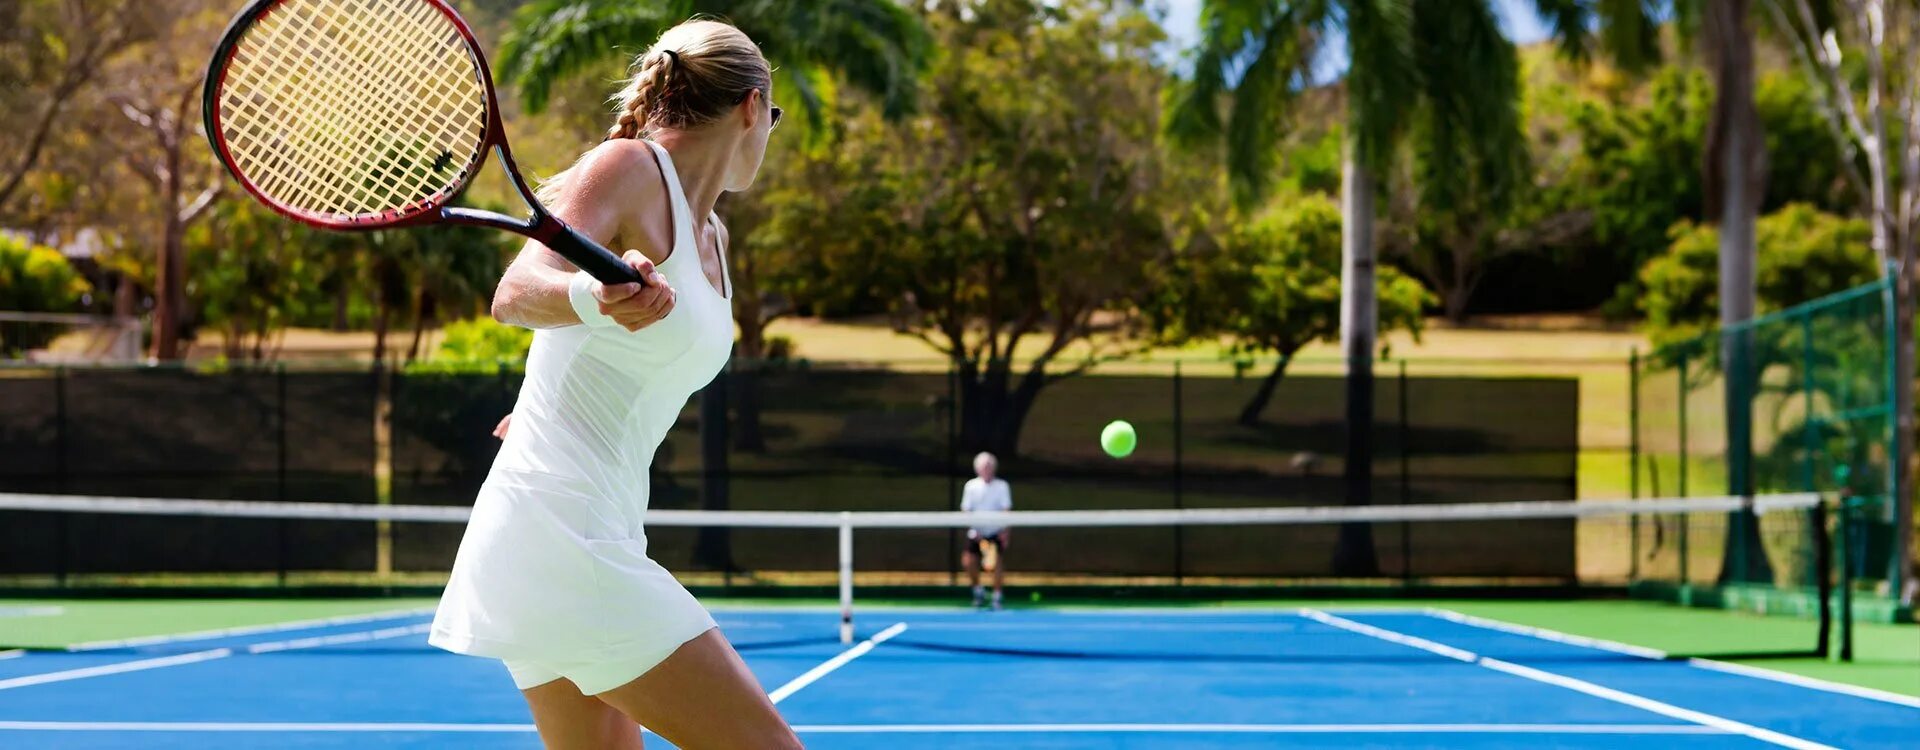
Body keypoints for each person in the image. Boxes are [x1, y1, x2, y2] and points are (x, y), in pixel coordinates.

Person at [429, 19, 800, 750]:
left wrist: (541, 403)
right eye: (774, 118)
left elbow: (613, 369)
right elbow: (518, 290)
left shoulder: (713, 237)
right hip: (564, 537)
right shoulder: (629, 165)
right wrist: (590, 299)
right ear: (752, 107)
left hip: (578, 531)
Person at [960, 452, 1013, 610]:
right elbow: (966, 511)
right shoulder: (971, 486)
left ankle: (997, 596)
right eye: (984, 467)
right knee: (968, 561)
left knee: (996, 564)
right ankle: (978, 591)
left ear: (994, 468)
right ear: (978, 469)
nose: (987, 470)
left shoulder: (1002, 486)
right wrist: (974, 530)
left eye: (989, 467)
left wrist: (1005, 532)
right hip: (976, 533)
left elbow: (1006, 510)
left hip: (995, 532)